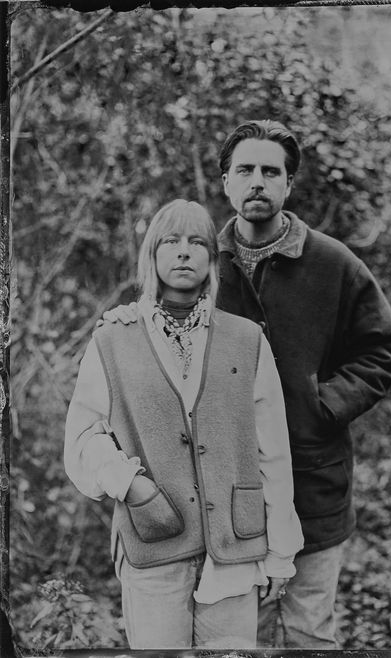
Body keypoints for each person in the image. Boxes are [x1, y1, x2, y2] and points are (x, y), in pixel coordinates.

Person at [103, 121, 391, 649]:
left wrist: (323, 404)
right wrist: (127, 317)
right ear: (226, 181)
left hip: (314, 482)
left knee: (310, 631)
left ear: (289, 183)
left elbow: (383, 346)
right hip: (224, 497)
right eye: (245, 170)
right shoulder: (202, 261)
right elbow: (159, 324)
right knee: (246, 637)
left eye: (271, 171)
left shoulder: (334, 263)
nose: (258, 181)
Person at [64, 198, 303, 650]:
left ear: (212, 259)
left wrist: (280, 552)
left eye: (197, 242)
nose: (183, 251)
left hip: (234, 550)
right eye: (170, 241)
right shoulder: (112, 340)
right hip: (153, 547)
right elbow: (82, 438)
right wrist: (131, 484)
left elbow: (273, 452)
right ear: (152, 254)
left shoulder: (247, 339)